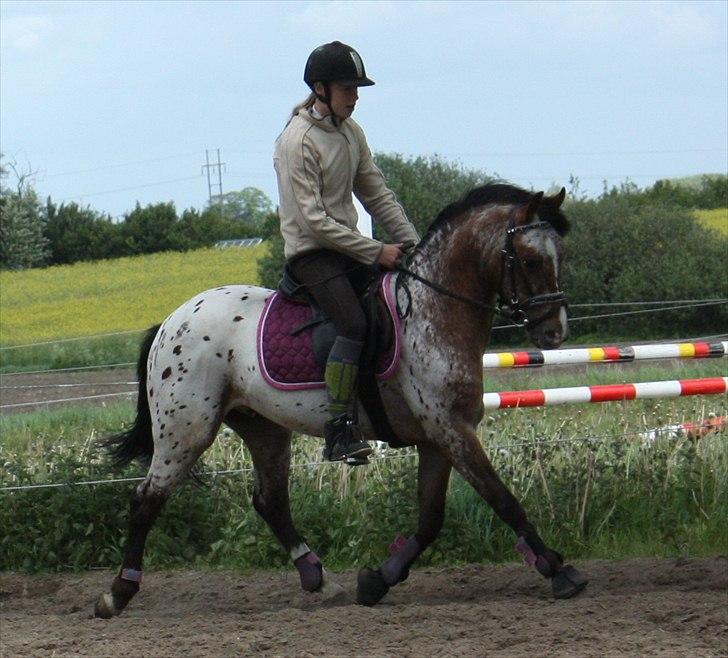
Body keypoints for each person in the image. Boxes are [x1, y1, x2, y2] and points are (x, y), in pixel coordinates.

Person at [274, 41, 420, 465]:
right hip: (312, 255)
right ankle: (338, 429)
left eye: (357, 88)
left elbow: (377, 193)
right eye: (347, 88)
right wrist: (377, 251)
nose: (355, 96)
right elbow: (315, 221)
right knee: (354, 323)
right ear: (320, 89)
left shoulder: (352, 133)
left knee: (392, 308)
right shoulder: (296, 141)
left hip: (348, 250)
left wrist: (411, 243)